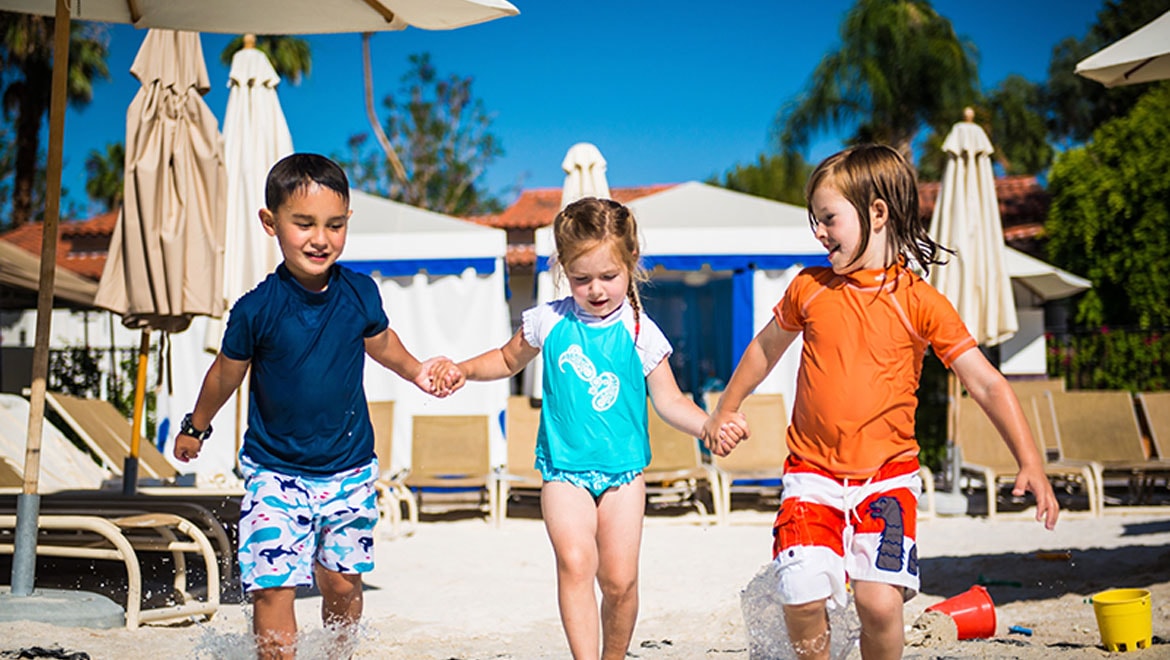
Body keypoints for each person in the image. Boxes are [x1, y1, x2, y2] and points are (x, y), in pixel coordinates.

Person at [703, 144, 1059, 660]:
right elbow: (763, 349)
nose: (819, 233)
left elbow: (986, 383)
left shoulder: (920, 302)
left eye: (828, 219)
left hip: (888, 481)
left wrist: (1030, 462)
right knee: (801, 596)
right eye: (815, 221)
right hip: (811, 476)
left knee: (880, 605)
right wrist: (727, 407)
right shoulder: (810, 289)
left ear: (876, 212)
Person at [433, 197, 746, 660]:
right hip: (564, 472)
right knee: (576, 562)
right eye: (581, 279)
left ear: (631, 262)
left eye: (608, 277)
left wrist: (708, 425)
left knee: (619, 581)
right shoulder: (549, 320)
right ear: (563, 269)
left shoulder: (641, 332)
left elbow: (671, 400)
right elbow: (504, 359)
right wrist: (462, 369)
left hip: (623, 476)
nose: (595, 289)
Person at [173, 153, 451, 659]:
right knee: (272, 584)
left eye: (334, 225)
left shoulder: (359, 294)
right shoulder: (256, 309)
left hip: (348, 470)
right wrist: (197, 425)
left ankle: (338, 653)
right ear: (270, 222)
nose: (320, 238)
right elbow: (224, 375)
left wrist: (416, 371)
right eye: (304, 224)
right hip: (274, 470)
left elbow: (382, 342)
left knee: (342, 584)